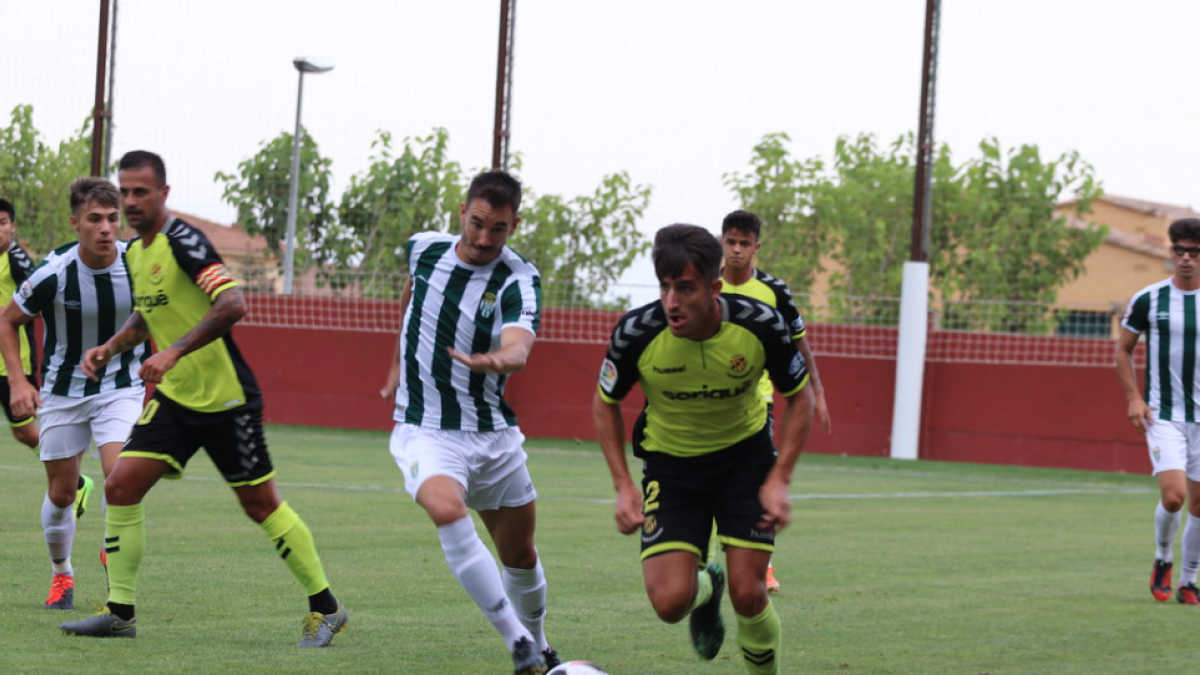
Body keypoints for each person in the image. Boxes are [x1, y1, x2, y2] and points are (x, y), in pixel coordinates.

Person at [59, 151, 348, 646]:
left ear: (163, 194)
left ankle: (327, 608)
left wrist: (172, 352)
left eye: (141, 192)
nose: (131, 201)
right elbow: (149, 314)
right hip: (176, 400)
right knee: (121, 486)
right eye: (125, 191)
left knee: (260, 504)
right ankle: (120, 613)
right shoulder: (137, 252)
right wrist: (110, 348)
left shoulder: (185, 241)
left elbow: (232, 302)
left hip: (225, 401)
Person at [592, 223, 814, 675]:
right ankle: (707, 589)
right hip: (672, 469)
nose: (672, 301)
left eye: (686, 288)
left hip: (745, 462)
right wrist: (622, 485)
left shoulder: (760, 324)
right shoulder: (636, 332)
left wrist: (779, 479)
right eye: (665, 287)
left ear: (714, 288)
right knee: (669, 604)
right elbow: (604, 403)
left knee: (749, 594)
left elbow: (801, 398)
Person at [380, 170, 557, 675]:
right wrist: (397, 360)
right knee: (445, 507)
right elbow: (412, 293)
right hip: (426, 428)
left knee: (520, 555)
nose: (483, 238)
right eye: (477, 223)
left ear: (514, 225)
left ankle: (542, 645)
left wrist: (495, 360)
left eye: (497, 228)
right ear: (462, 212)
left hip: (493, 434)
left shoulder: (518, 278)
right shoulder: (423, 249)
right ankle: (518, 641)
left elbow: (520, 347)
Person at [0, 178, 149, 611]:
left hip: (121, 386)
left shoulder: (138, 264)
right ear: (75, 223)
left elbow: (158, 313)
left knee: (120, 480)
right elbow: (7, 321)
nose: (106, 228)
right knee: (62, 494)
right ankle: (62, 573)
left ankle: (113, 555)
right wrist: (19, 382)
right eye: (94, 219)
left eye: (113, 219)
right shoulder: (53, 272)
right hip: (63, 391)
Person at [719, 209, 832, 593]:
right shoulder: (704, 284)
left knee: (758, 479)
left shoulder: (774, 291)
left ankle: (763, 566)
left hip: (757, 400)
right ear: (722, 242)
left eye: (744, 243)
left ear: (757, 248)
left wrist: (818, 391)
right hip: (709, 402)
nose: (736, 250)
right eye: (731, 242)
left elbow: (800, 343)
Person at [1118, 216, 1200, 606]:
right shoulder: (1149, 299)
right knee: (1174, 497)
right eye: (1179, 250)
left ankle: (1188, 581)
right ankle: (1163, 557)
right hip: (1163, 413)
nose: (1186, 258)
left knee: (1199, 506)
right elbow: (1123, 350)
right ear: (1171, 252)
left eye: (1194, 252)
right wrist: (1134, 397)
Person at [0, 198, 42, 453]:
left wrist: (7, 312)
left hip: (13, 361)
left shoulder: (18, 261)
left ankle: (70, 472)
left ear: (12, 227)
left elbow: (41, 306)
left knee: (24, 431)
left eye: (2, 223)